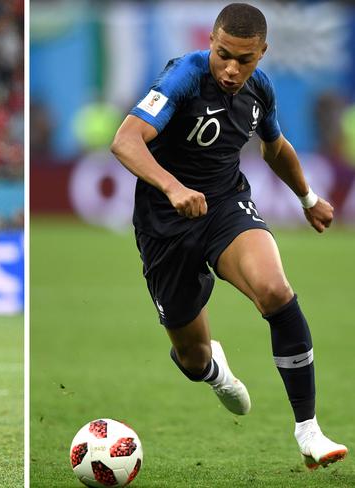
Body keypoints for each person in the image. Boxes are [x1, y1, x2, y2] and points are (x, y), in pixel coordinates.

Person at [110, 2, 347, 469]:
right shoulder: (185, 75)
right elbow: (125, 140)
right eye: (224, 55)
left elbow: (274, 147)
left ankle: (309, 431)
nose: (232, 70)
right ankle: (215, 371)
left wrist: (307, 198)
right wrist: (174, 187)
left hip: (224, 208)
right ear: (211, 41)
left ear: (262, 53)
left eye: (245, 59)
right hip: (165, 223)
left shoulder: (260, 89)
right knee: (192, 357)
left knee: (276, 291)